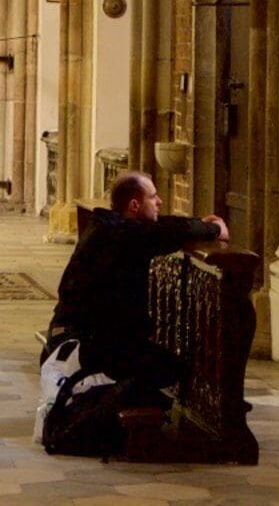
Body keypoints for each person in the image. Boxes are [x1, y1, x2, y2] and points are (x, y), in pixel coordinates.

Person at [49, 172, 223, 404]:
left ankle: (116, 400)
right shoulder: (123, 236)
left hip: (85, 336)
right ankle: (102, 399)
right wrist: (215, 230)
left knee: (160, 372)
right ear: (134, 205)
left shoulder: (110, 225)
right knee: (173, 368)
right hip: (83, 344)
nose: (159, 201)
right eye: (153, 197)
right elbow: (166, 233)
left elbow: (163, 224)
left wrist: (203, 223)